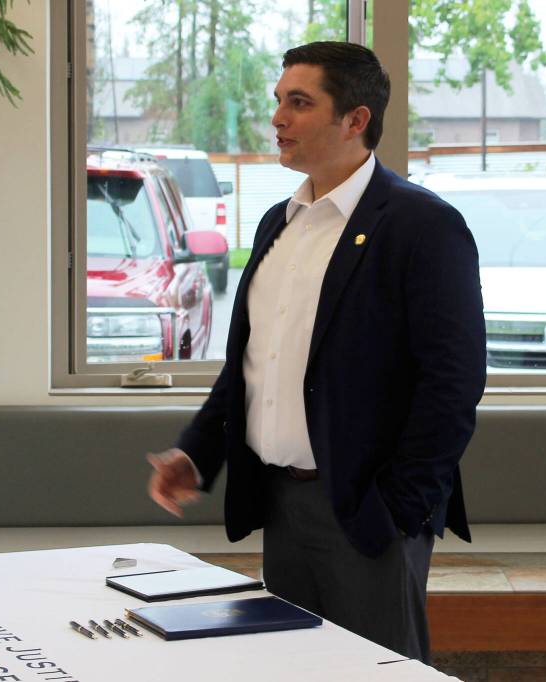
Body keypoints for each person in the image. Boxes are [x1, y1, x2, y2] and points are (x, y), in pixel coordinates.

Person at [147, 41, 485, 664]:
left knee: (377, 676)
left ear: (355, 120)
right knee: (294, 670)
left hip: (367, 512)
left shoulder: (422, 225)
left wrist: (397, 508)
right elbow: (253, 364)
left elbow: (454, 383)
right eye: (278, 101)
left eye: (299, 103)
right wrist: (197, 451)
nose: (277, 118)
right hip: (280, 505)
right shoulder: (279, 221)